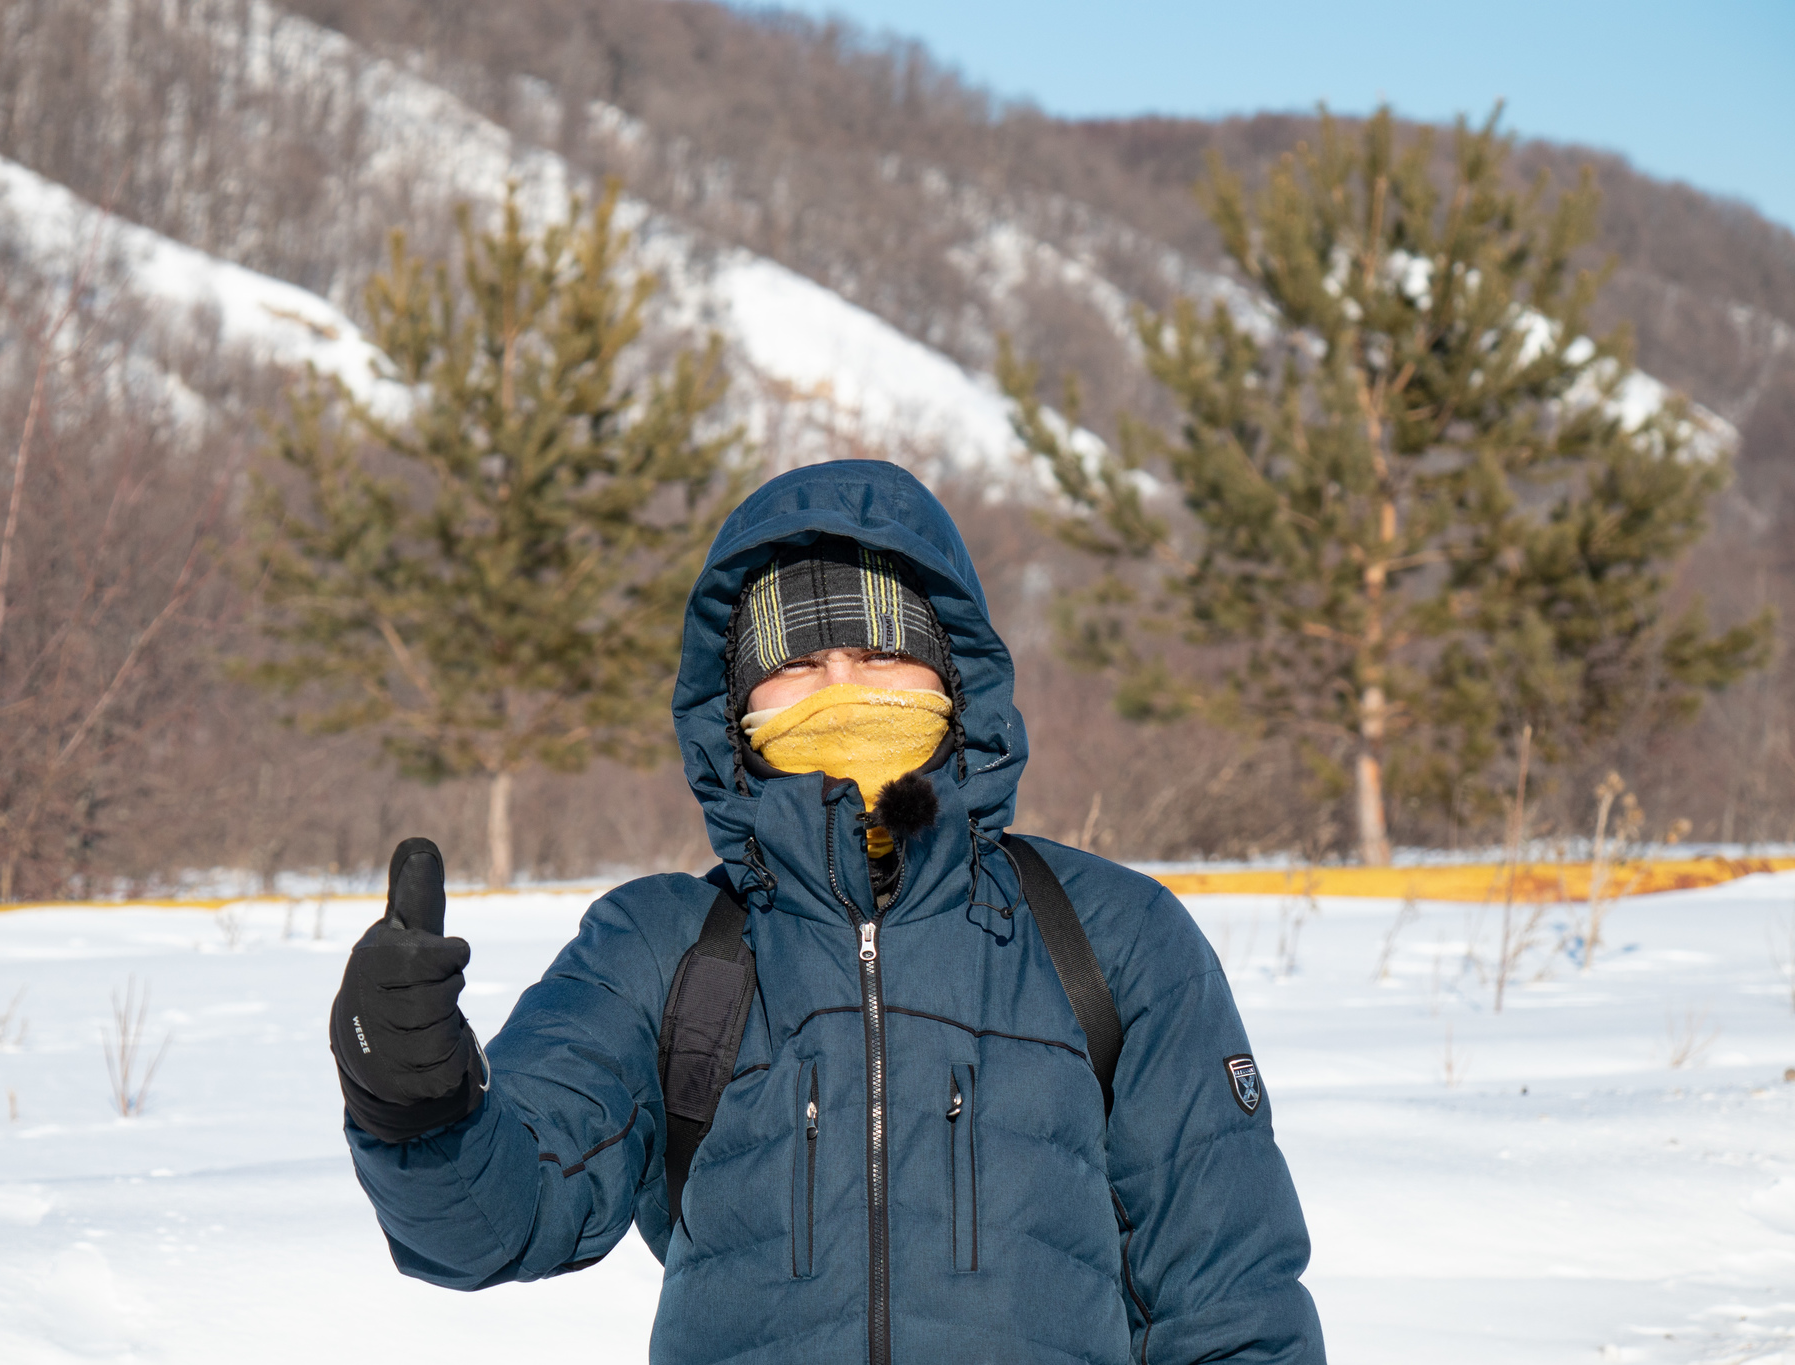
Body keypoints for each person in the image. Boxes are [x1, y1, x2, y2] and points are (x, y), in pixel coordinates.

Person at [330, 461, 1325, 1364]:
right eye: (796, 665)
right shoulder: (661, 947)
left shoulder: (1109, 937)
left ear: (953, 676)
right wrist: (418, 1105)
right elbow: (497, 1219)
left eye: (881, 651)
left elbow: (1230, 1309)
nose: (841, 688)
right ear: (735, 712)